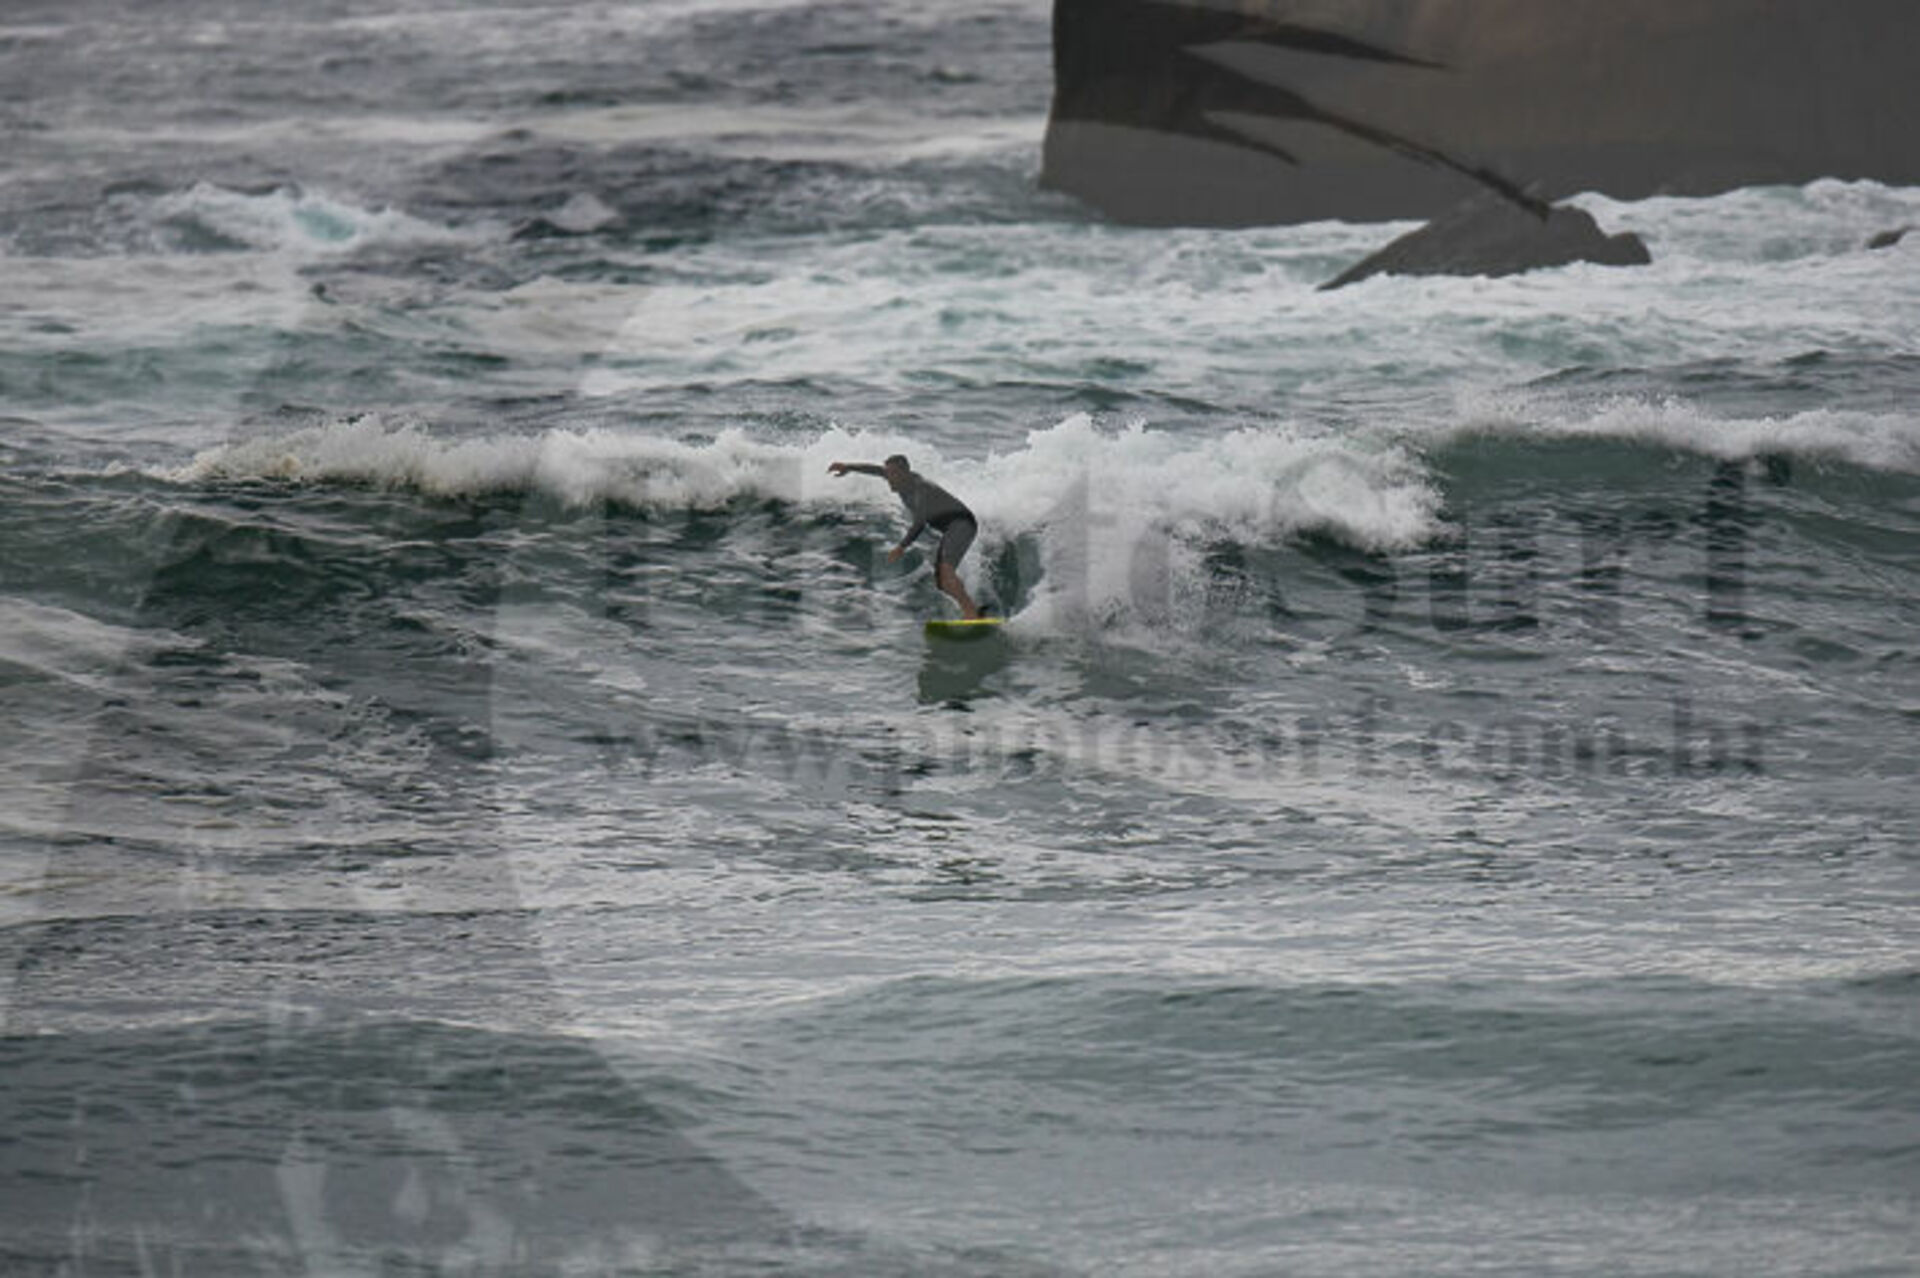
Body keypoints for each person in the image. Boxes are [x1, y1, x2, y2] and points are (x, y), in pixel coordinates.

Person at [828, 453, 982, 619]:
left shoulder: (921, 488)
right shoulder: (899, 479)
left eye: (893, 474)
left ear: (905, 473)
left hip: (961, 524)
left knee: (946, 571)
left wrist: (902, 546)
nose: (889, 478)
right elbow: (875, 470)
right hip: (951, 528)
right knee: (942, 582)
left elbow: (920, 521)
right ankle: (973, 611)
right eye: (888, 474)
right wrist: (848, 467)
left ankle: (971, 614)